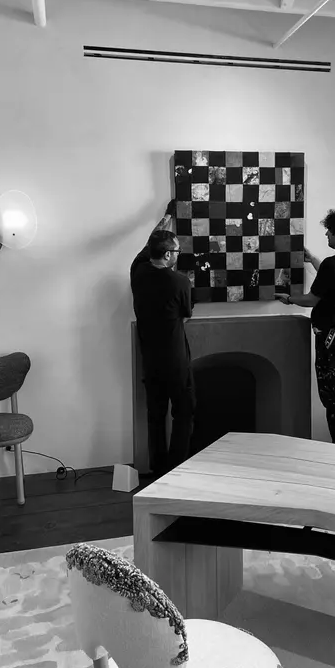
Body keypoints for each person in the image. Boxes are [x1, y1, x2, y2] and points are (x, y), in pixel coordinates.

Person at [276, 209, 335, 447]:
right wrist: (313, 259)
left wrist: (290, 299)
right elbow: (333, 279)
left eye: (329, 230)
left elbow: (311, 299)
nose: (326, 234)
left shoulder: (332, 264)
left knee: (334, 400)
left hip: (332, 341)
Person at [130, 204, 195, 476]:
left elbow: (149, 243)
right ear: (168, 255)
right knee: (184, 411)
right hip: (175, 359)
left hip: (150, 359)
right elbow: (186, 315)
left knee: (155, 416)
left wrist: (167, 217)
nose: (179, 255)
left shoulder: (137, 271)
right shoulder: (180, 282)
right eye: (177, 251)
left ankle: (158, 472)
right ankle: (177, 469)